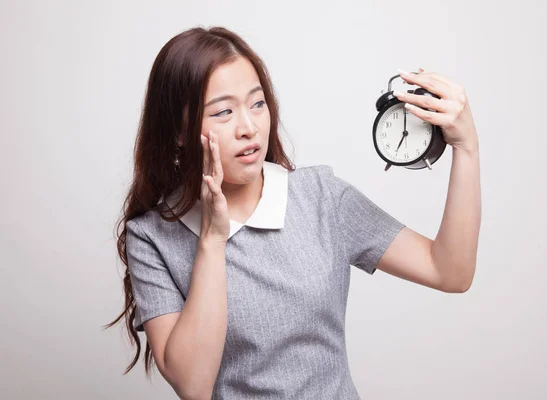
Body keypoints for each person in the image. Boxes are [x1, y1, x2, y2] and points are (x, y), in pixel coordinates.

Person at [105, 26, 481, 400]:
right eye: (223, 112)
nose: (249, 128)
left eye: (257, 104)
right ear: (178, 132)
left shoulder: (319, 197)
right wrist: (213, 239)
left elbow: (450, 271)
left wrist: (467, 148)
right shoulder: (151, 235)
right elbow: (193, 385)